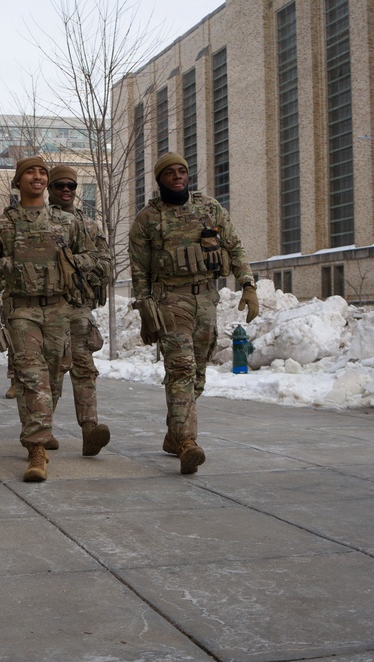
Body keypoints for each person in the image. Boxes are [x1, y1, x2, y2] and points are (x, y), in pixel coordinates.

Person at [0, 156, 98, 482]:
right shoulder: (3, 225)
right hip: (22, 308)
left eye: (42, 172)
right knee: (31, 374)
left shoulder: (66, 222)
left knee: (54, 375)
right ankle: (36, 449)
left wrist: (67, 260)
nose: (38, 176)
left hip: (58, 307)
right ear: (19, 181)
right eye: (31, 172)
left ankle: (43, 423)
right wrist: (9, 264)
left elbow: (93, 257)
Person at [128, 152, 258, 475]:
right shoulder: (147, 220)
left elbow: (235, 246)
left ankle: (174, 434)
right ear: (159, 180)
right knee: (182, 368)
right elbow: (139, 271)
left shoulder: (209, 209)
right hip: (170, 302)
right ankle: (187, 443)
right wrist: (146, 309)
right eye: (169, 173)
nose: (177, 177)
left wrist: (248, 285)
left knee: (197, 374)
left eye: (181, 171)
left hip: (206, 300)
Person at [47, 165, 113, 455]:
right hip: (47, 308)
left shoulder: (90, 226)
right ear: (49, 188)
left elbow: (105, 263)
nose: (65, 190)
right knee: (51, 370)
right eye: (59, 185)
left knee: (84, 368)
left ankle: (90, 429)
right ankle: (42, 428)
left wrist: (75, 262)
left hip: (78, 307)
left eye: (71, 186)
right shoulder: (38, 220)